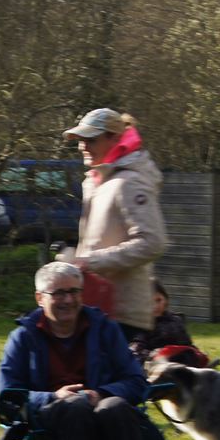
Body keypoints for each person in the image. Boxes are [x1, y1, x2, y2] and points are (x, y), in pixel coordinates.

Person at [0, 263, 165, 440]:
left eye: (74, 292)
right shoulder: (23, 337)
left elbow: (135, 381)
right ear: (40, 298)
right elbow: (8, 396)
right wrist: (53, 396)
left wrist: (101, 394)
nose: (68, 300)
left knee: (117, 407)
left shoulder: (105, 330)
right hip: (47, 425)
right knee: (74, 406)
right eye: (59, 293)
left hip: (104, 419)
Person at [62, 109, 168, 335]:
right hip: (95, 306)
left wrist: (92, 262)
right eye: (80, 140)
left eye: (91, 140)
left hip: (124, 314)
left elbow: (153, 242)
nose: (83, 146)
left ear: (115, 138)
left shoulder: (130, 182)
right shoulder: (95, 181)